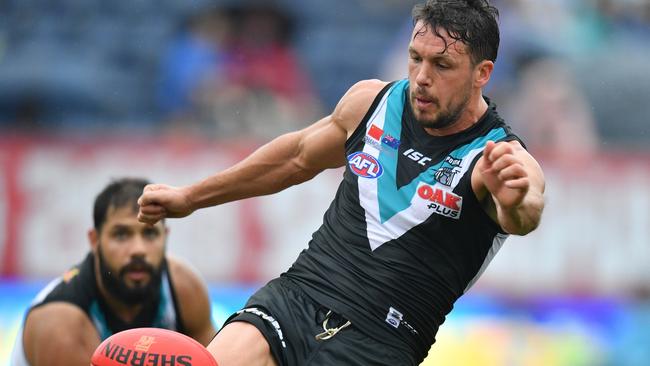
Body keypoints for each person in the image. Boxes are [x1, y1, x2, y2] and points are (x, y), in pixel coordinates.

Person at [138, 1, 546, 365]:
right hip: (298, 297)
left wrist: (515, 202)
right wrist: (190, 196)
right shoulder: (373, 101)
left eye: (441, 65)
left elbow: (525, 214)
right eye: (415, 58)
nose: (421, 77)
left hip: (381, 341)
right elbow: (295, 157)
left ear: (482, 74)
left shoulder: (500, 157)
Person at [10, 178, 216, 366]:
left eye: (150, 233)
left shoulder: (184, 287)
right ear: (94, 240)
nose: (138, 250)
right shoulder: (60, 324)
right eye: (121, 235)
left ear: (166, 237)